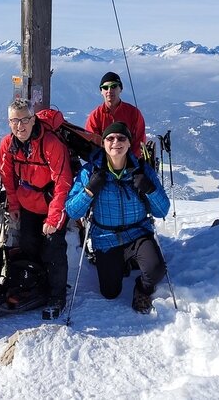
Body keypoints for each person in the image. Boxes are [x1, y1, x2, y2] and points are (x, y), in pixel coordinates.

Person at [65, 122, 171, 313]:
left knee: (156, 270)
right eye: (110, 138)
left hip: (138, 233)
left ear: (130, 143)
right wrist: (89, 190)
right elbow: (72, 211)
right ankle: (122, 263)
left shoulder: (142, 170)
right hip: (106, 238)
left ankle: (142, 289)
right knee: (110, 292)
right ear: (104, 143)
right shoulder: (90, 172)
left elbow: (162, 211)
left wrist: (150, 189)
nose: (116, 142)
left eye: (122, 138)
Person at [0, 98, 73, 319]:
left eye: (24, 120)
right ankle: (35, 285)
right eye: (14, 121)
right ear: (9, 122)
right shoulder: (7, 145)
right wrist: (13, 205)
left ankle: (57, 295)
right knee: (29, 246)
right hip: (27, 202)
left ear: (33, 120)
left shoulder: (51, 144)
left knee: (53, 248)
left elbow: (63, 182)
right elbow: (7, 177)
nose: (19, 126)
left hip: (52, 204)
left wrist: (53, 218)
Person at [85, 71, 146, 157]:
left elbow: (139, 142)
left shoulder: (133, 113)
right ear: (101, 91)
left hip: (131, 164)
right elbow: (92, 145)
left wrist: (130, 163)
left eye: (113, 86)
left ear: (120, 89)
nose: (109, 90)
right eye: (105, 87)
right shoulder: (95, 117)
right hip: (103, 165)